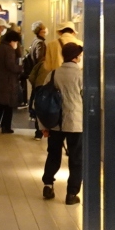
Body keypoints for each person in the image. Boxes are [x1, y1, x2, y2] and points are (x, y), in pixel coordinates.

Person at [42, 41, 84, 205]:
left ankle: (48, 184)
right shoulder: (81, 76)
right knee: (76, 158)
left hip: (55, 122)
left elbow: (43, 101)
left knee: (53, 154)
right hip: (75, 123)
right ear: (76, 57)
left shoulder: (53, 74)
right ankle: (71, 194)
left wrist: (44, 126)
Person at [27, 22, 51, 139]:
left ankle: (38, 128)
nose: (46, 31)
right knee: (41, 103)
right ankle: (39, 130)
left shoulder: (34, 41)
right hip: (41, 75)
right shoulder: (40, 43)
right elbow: (40, 58)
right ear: (40, 31)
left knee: (36, 100)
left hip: (35, 75)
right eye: (44, 29)